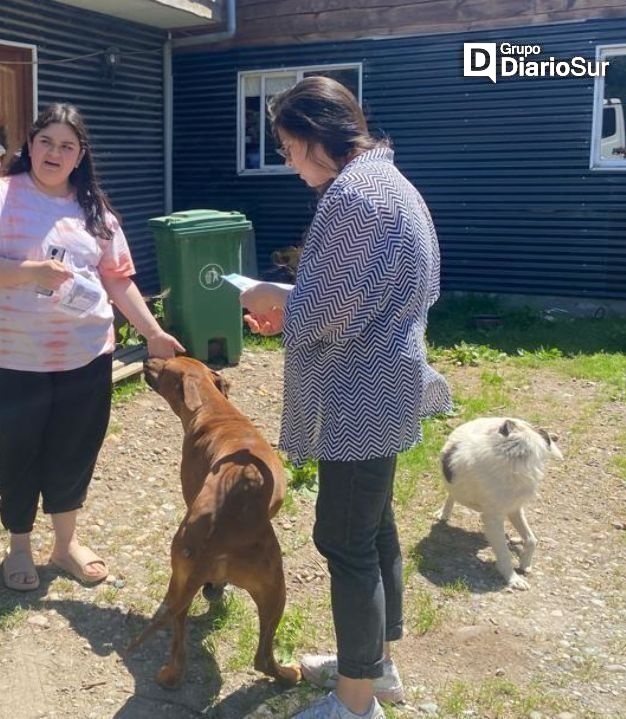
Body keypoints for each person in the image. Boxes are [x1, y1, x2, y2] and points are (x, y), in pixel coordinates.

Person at [242, 77, 452, 719]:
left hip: (360, 392)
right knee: (373, 527)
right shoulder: (389, 183)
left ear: (313, 136)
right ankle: (375, 666)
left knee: (345, 540)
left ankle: (356, 703)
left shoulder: (356, 197)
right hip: (383, 384)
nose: (285, 159)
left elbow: (320, 310)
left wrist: (270, 299)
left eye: (285, 145)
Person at [0, 103, 183, 591]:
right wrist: (29, 273)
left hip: (85, 354)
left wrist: (152, 333)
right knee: (17, 453)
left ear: (80, 155)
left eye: (66, 146)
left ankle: (65, 545)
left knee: (75, 449)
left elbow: (117, 280)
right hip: (13, 358)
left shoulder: (94, 210)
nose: (54, 153)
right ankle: (19, 546)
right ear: (30, 146)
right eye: (46, 142)